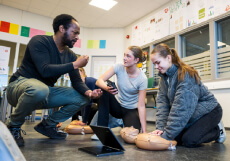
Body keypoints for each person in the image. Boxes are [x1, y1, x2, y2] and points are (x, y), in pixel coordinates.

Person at [5, 14, 102, 147]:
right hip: (18, 87)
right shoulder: (39, 41)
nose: (77, 37)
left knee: (83, 98)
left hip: (43, 92)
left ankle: (48, 126)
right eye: (75, 32)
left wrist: (90, 93)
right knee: (40, 89)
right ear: (62, 28)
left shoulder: (70, 55)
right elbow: (44, 70)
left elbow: (77, 82)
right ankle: (13, 126)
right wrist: (75, 64)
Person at [150, 43, 226, 148]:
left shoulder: (186, 75)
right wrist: (160, 129)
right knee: (175, 137)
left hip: (209, 111)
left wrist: (166, 136)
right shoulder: (164, 78)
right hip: (192, 113)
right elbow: (162, 104)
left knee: (189, 140)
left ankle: (217, 131)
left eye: (158, 63)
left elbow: (181, 109)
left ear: (168, 58)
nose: (156, 67)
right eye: (154, 64)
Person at [95, 46, 148, 133]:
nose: (124, 58)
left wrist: (145, 131)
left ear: (136, 60)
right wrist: (106, 88)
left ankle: (122, 122)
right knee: (103, 90)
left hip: (130, 110)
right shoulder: (118, 67)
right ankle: (102, 130)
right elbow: (99, 81)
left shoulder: (142, 79)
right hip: (118, 106)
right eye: (124, 55)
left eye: (128, 56)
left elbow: (141, 106)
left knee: (133, 135)